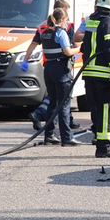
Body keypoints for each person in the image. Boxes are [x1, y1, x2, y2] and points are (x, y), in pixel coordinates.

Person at [21, 0, 79, 131]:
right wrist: (81, 49)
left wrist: (25, 60)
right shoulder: (67, 27)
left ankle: (50, 131)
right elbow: (72, 47)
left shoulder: (42, 27)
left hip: (47, 66)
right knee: (64, 99)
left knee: (54, 98)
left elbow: (33, 44)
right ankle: (65, 131)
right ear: (63, 13)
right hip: (62, 65)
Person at [81, 0, 110, 158]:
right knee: (107, 111)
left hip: (90, 74)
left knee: (101, 111)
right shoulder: (108, 22)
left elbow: (84, 46)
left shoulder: (92, 20)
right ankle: (104, 148)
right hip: (104, 75)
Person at [41, 8, 82, 147]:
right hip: (60, 70)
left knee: (53, 103)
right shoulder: (61, 33)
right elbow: (68, 51)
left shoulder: (45, 33)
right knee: (64, 104)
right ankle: (67, 138)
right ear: (62, 19)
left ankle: (49, 135)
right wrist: (80, 49)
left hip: (48, 70)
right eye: (66, 20)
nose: (66, 23)